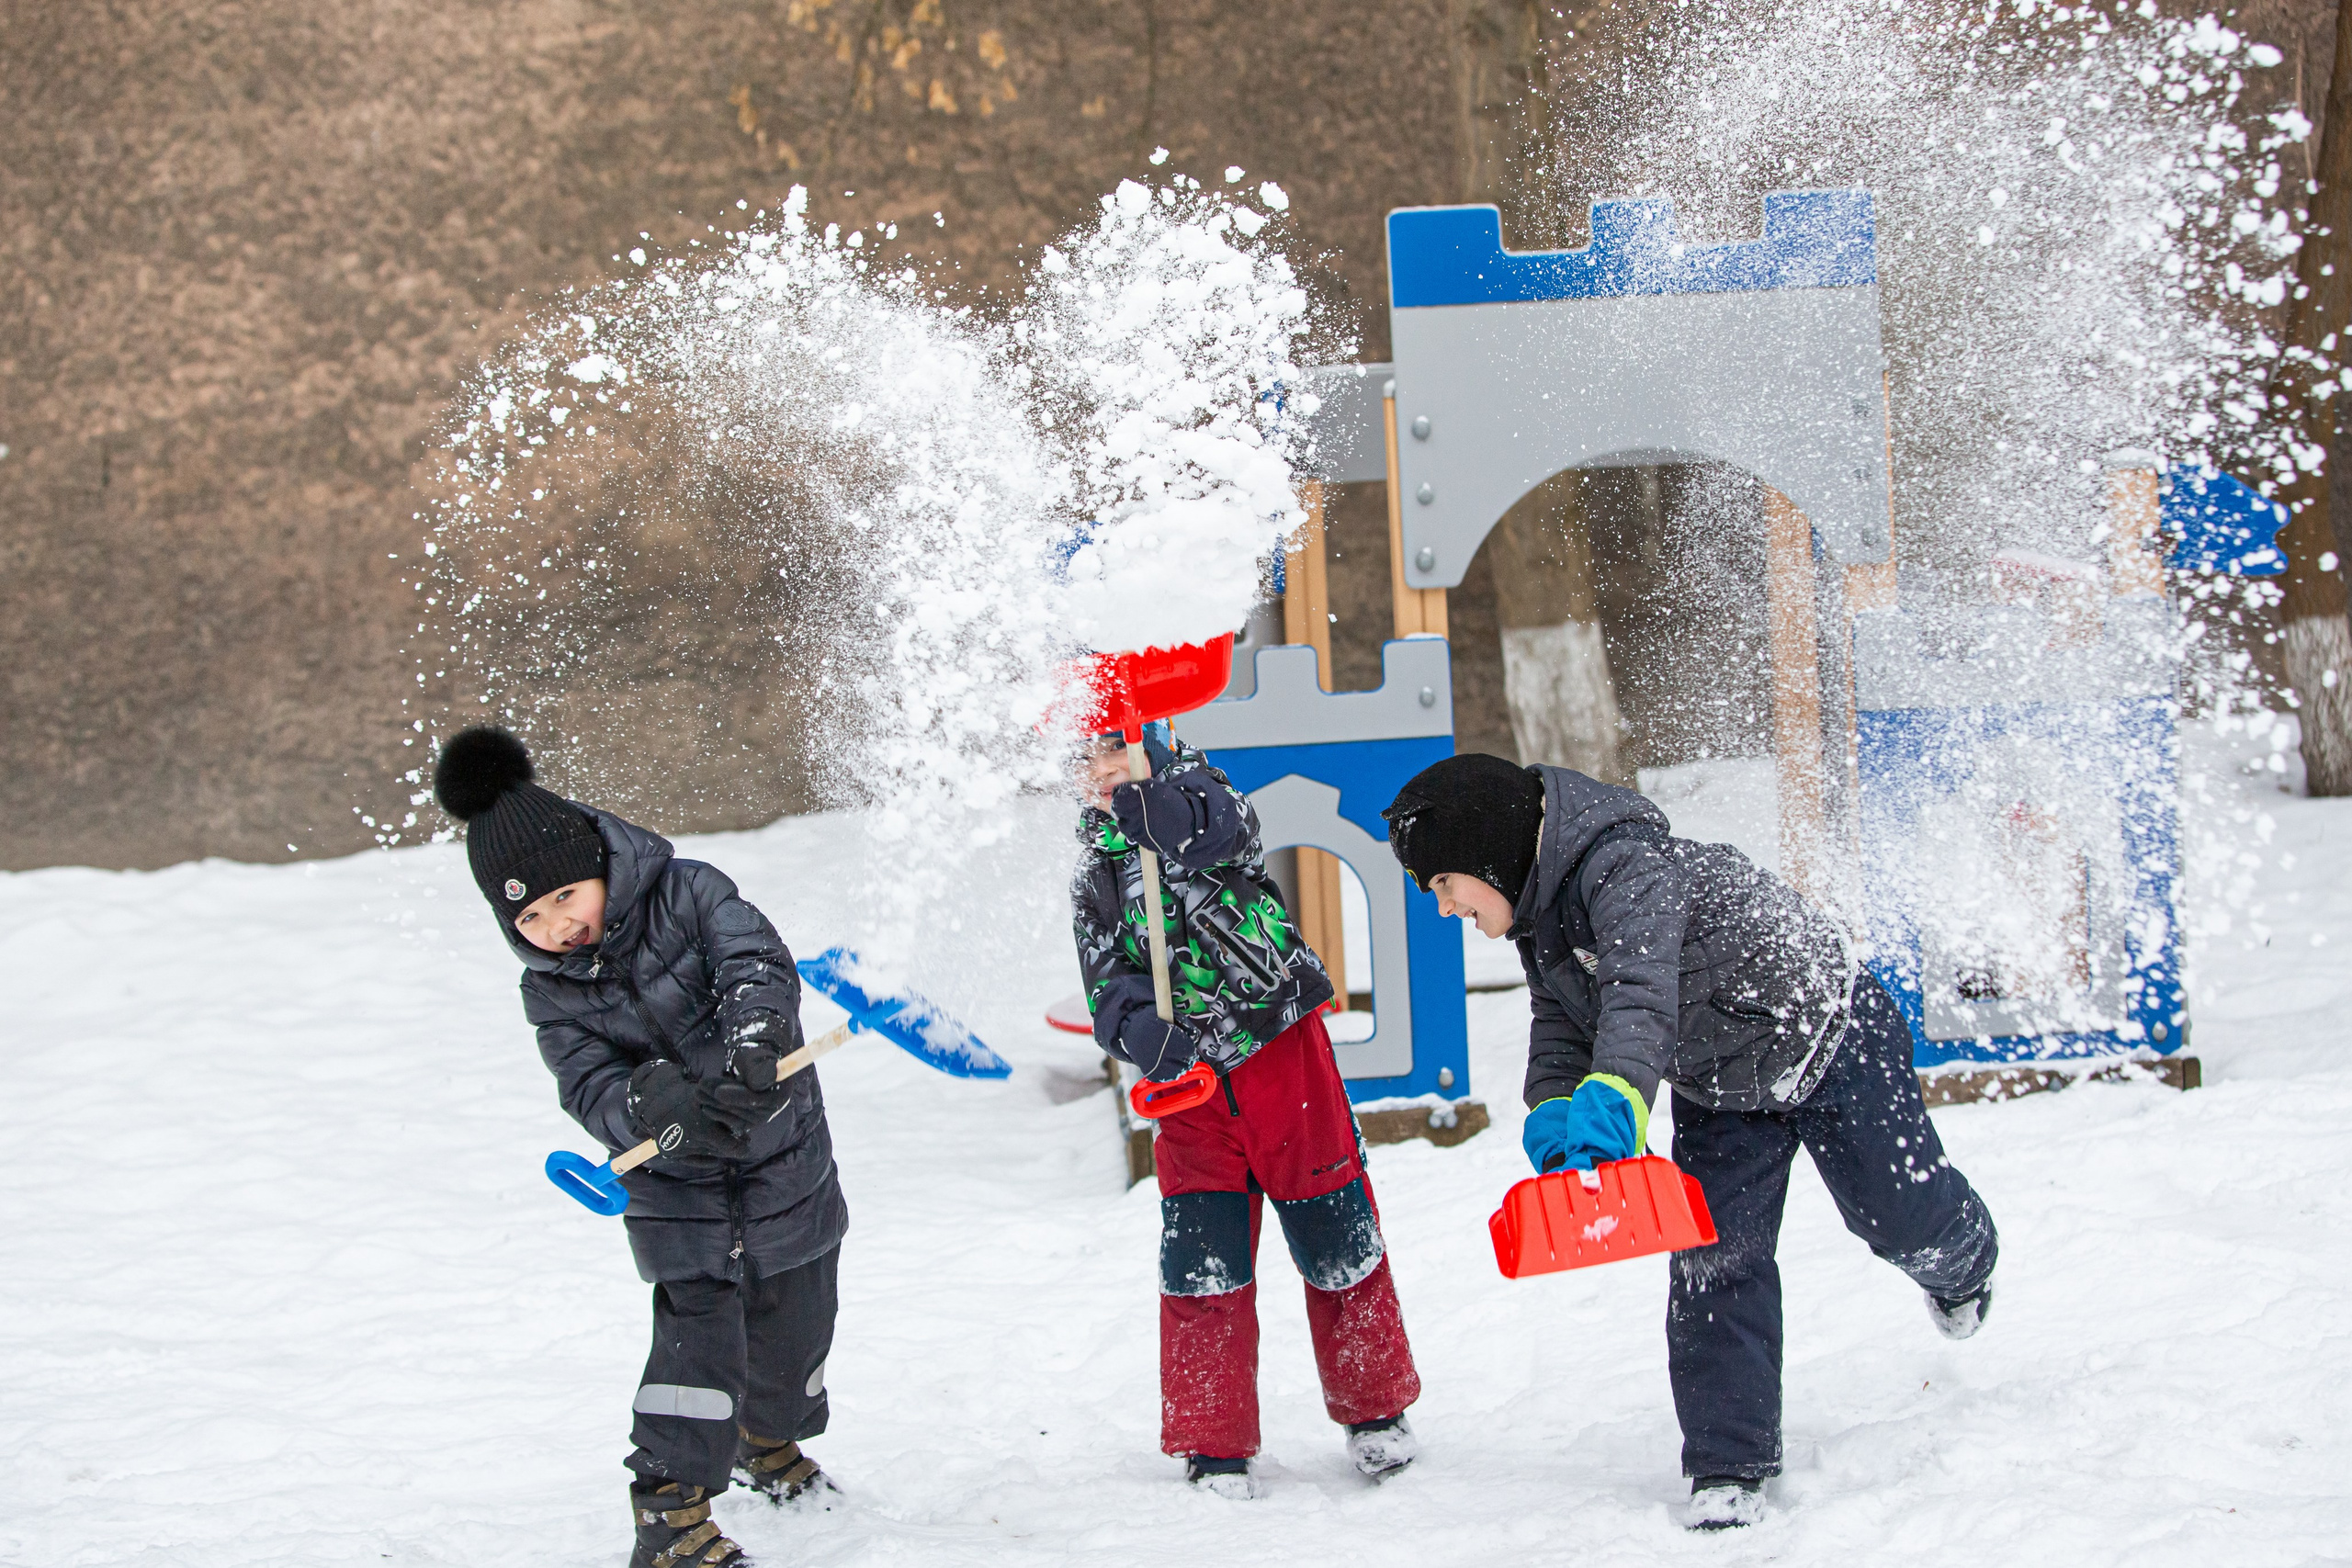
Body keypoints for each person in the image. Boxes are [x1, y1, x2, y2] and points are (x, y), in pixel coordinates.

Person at [1382, 753, 1998, 1531]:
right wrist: (1555, 1110)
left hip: (1826, 1031)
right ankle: (1728, 1460)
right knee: (1716, 1256)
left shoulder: (1624, 865)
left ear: (1485, 850)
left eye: (1441, 883)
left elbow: (1641, 993)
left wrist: (1615, 1100)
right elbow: (1561, 1029)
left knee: (1897, 1212)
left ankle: (1965, 1260)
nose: (1442, 906)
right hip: (1722, 1087)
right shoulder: (1539, 923)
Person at [434, 727, 846, 1568]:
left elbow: (755, 962)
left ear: (599, 864)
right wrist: (649, 1102)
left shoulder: (692, 892)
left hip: (783, 1166)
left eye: (564, 897)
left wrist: (756, 1045)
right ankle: (669, 1516)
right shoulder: (548, 990)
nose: (557, 926)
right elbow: (584, 1081)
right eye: (531, 917)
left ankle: (764, 1437)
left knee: (795, 1330)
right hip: (677, 1189)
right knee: (695, 1354)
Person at [1073, 723, 1421, 1497]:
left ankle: (1374, 1408)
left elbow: (1222, 833)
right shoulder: (1090, 870)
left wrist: (1154, 807)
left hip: (1279, 1047)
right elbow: (1104, 974)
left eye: (1109, 750)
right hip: (1191, 1085)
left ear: (1149, 741)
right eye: (1080, 760)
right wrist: (1136, 1028)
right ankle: (1213, 1438)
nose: (1097, 772)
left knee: (1336, 1227)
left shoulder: (1203, 790)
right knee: (1203, 1258)